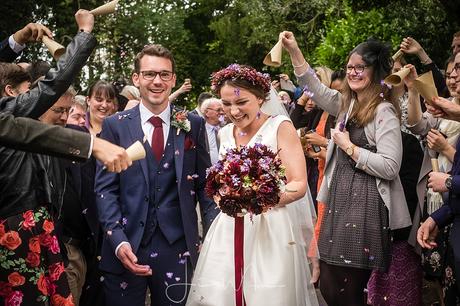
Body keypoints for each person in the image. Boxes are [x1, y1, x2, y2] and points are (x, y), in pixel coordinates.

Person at [281, 31, 410, 305]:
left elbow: (390, 166)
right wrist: (294, 50)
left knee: (346, 289)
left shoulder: (384, 111)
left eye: (360, 67)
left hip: (366, 206)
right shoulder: (347, 104)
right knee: (330, 284)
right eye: (350, 67)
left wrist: (349, 147)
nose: (353, 72)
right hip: (339, 202)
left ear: (374, 71)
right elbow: (314, 86)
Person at [94, 44, 217, 306]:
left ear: (173, 79)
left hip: (177, 245)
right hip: (126, 243)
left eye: (164, 74)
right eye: (149, 74)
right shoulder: (115, 125)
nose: (157, 81)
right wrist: (117, 241)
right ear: (136, 78)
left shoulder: (193, 124)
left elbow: (206, 184)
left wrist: (214, 234)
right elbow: (105, 190)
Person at [186, 64, 319, 306]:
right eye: (226, 104)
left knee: (268, 297)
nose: (233, 111)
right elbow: (219, 181)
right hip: (229, 227)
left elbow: (299, 184)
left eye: (241, 102)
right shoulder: (225, 133)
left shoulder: (280, 127)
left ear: (260, 97)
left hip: (271, 229)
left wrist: (259, 199)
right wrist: (221, 197)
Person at [0, 10, 98, 305]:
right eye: (26, 91)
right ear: (9, 93)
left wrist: (15, 41)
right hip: (17, 232)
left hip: (38, 228)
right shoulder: (8, 113)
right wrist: (84, 34)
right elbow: (53, 85)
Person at [200, 97, 224, 165]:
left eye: (222, 110)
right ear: (207, 112)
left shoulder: (227, 129)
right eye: (218, 110)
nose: (222, 112)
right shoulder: (200, 130)